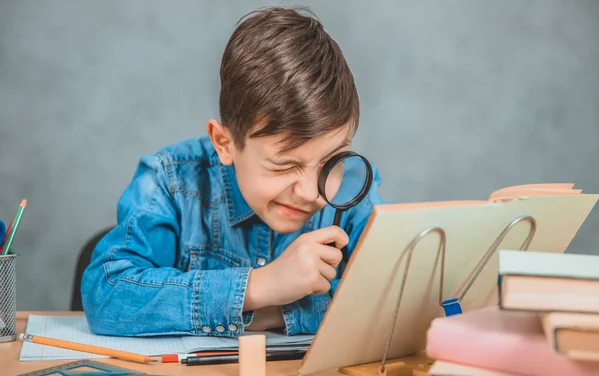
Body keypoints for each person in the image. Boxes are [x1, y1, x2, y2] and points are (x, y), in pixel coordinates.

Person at [81, 6, 383, 337]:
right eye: (284, 165)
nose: (312, 193)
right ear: (225, 143)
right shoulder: (170, 181)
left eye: (330, 164)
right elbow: (106, 294)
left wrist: (272, 315)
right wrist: (259, 287)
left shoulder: (352, 192)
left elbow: (393, 300)